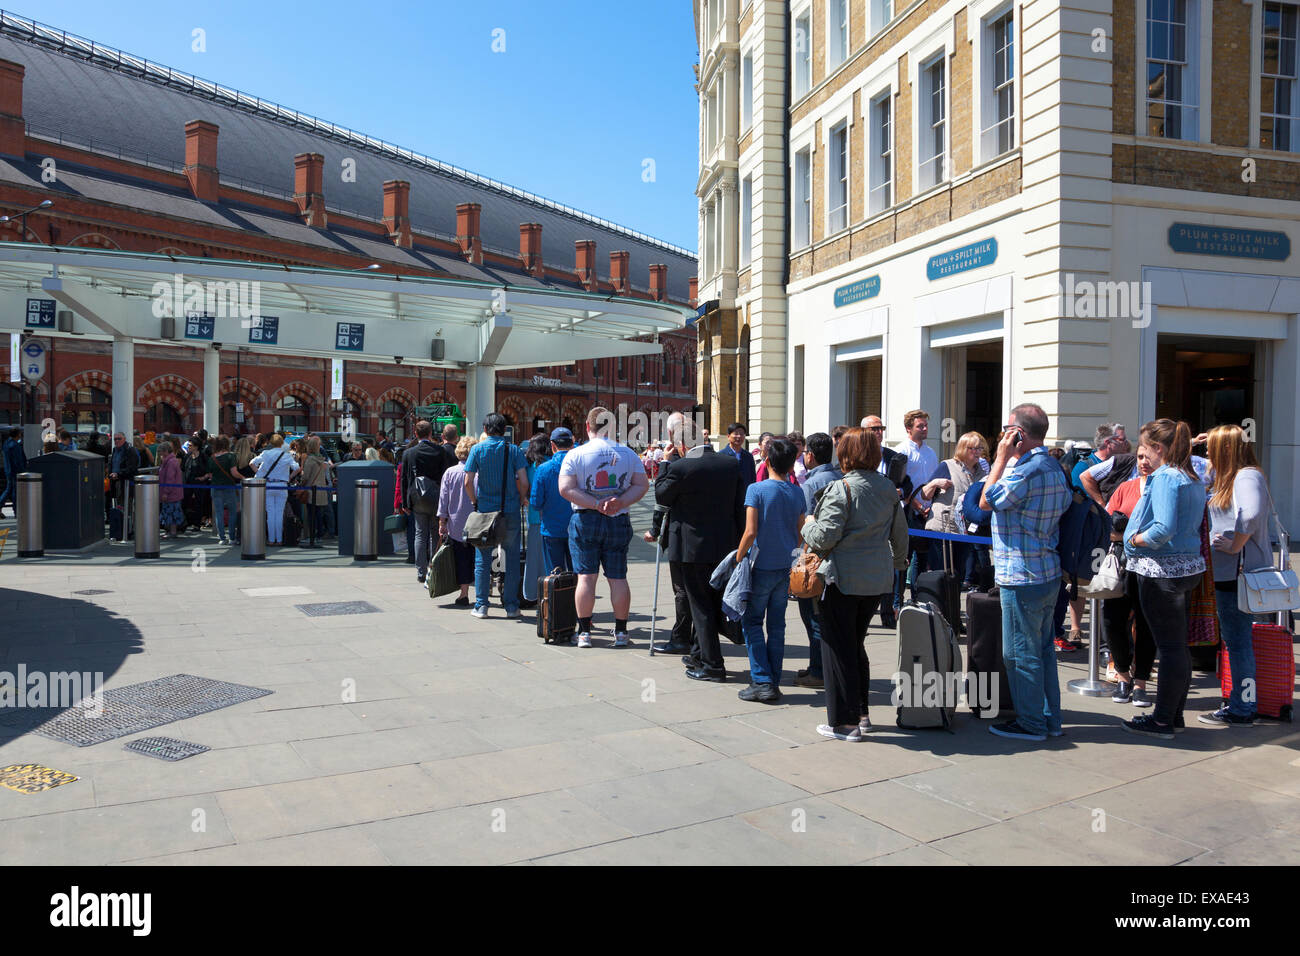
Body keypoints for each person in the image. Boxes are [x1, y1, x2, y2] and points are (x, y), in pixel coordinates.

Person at [801, 427, 909, 740]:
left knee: (837, 648)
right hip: (876, 579)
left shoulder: (841, 488)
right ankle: (861, 714)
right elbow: (900, 536)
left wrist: (808, 525)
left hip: (843, 579)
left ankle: (845, 723)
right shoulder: (888, 488)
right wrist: (899, 566)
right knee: (855, 644)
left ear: (845, 455)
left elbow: (824, 537)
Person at [979, 403, 1073, 742]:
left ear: (1019, 434)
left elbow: (987, 500)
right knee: (1042, 649)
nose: (1003, 434)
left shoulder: (1025, 470)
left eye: (1008, 429)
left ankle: (1032, 723)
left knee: (1019, 652)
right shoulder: (1053, 466)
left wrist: (1001, 459)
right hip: (1046, 572)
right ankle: (1049, 719)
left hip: (1022, 575)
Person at [1120, 419, 1206, 740]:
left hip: (1161, 570)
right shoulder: (1190, 476)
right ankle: (1172, 714)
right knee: (1176, 647)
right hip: (1183, 569)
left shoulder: (1168, 477)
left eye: (1145, 448)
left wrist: (1135, 540)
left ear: (1157, 448)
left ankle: (1162, 719)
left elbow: (1163, 528)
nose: (1141, 456)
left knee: (1170, 648)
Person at [655, 420, 746, 679]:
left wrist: (664, 462)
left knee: (701, 607)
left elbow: (661, 495)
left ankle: (712, 665)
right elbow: (739, 506)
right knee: (713, 602)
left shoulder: (681, 467)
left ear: (683, 444)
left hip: (692, 549)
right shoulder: (730, 464)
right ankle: (698, 654)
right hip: (724, 545)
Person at [558, 407, 649, 647]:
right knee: (618, 577)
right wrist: (619, 501)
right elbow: (642, 485)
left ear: (588, 427)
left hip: (585, 518)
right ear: (612, 428)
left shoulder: (576, 454)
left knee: (586, 578)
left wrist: (596, 503)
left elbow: (566, 489)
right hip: (618, 518)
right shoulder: (628, 454)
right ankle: (621, 632)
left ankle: (585, 632)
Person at [1201, 424, 1270, 727]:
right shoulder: (1230, 477)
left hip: (1237, 575)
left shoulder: (1245, 476)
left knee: (1238, 641)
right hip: (1230, 575)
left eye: (1211, 446)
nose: (1205, 452)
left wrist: (1234, 544)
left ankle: (1243, 707)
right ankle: (1242, 702)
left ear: (1226, 449)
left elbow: (1251, 514)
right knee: (1236, 640)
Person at [735, 438, 807, 703]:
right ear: (792, 465)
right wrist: (794, 557)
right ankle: (773, 679)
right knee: (777, 625)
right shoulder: (797, 492)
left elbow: (750, 532)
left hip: (761, 566)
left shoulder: (756, 489)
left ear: (766, 461)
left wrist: (738, 557)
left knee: (753, 622)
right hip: (784, 566)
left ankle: (762, 680)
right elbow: (801, 533)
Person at [1103, 443, 1157, 708]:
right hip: (1123, 562)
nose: (1143, 461)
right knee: (1112, 620)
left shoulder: (1164, 488)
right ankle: (1123, 675)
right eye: (1140, 457)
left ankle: (1141, 683)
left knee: (1146, 624)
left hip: (1154, 565)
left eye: (1148, 456)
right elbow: (1107, 525)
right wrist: (1122, 533)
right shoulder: (1126, 487)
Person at [464, 413, 529, 618]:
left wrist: (475, 501)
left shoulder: (477, 449)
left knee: (483, 559)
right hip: (509, 510)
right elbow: (524, 481)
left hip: (485, 512)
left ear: (485, 429)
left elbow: (468, 481)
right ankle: (511, 605)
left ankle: (482, 605)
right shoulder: (514, 450)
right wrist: (520, 498)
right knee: (510, 558)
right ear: (504, 430)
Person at [793, 432, 842, 688]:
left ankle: (819, 671)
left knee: (813, 616)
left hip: (816, 559)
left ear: (810, 455)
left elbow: (804, 524)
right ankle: (823, 668)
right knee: (828, 617)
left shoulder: (810, 484)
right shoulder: (840, 477)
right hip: (840, 560)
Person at [645, 414, 693, 655]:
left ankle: (682, 636)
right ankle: (693, 636)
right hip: (707, 537)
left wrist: (664, 463)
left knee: (682, 589)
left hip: (682, 536)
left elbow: (662, 499)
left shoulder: (674, 462)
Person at [918, 431, 988, 587]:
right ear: (963, 449)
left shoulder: (982, 472)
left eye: (980, 448)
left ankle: (953, 610)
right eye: (973, 448)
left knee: (958, 576)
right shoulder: (948, 465)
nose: (977, 452)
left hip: (964, 531)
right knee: (941, 576)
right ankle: (939, 610)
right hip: (941, 529)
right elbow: (924, 495)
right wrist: (936, 482)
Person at [893, 409, 939, 613]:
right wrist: (918, 506)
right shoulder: (902, 451)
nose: (924, 429)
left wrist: (930, 506)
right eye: (920, 426)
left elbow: (932, 482)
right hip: (908, 512)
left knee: (923, 557)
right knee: (904, 557)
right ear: (908, 429)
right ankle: (897, 601)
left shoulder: (931, 453)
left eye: (926, 425)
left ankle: (918, 598)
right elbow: (902, 485)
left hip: (928, 511)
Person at [400, 420, 453, 585]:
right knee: (433, 533)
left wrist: (404, 503)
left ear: (416, 434)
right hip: (436, 496)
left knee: (419, 533)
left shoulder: (408, 453)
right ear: (431, 434)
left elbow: (404, 479)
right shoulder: (439, 451)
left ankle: (420, 571)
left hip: (416, 498)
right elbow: (445, 477)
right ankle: (432, 567)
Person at [438, 435, 478, 607]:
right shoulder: (478, 473)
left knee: (462, 558)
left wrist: (442, 522)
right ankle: (484, 592)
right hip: (477, 522)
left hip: (456, 523)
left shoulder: (450, 472)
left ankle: (464, 593)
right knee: (478, 558)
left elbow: (443, 499)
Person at [531, 427, 575, 576]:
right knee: (578, 574)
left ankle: (558, 600)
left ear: (552, 445)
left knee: (555, 574)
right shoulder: (580, 466)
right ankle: (576, 600)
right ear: (572, 443)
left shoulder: (543, 469)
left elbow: (536, 503)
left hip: (551, 528)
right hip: (576, 528)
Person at [249, 433, 299, 546]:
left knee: (270, 513)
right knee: (279, 513)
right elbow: (297, 468)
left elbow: (252, 463)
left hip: (268, 485)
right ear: (281, 443)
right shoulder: (287, 455)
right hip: (282, 485)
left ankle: (271, 540)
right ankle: (279, 539)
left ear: (271, 442)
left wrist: (260, 474)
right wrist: (289, 477)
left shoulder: (266, 453)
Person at [521, 433, 551, 607]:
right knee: (551, 560)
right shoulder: (553, 464)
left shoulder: (531, 467)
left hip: (534, 517)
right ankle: (551, 593)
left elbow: (525, 487)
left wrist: (524, 499)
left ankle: (535, 594)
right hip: (553, 519)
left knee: (534, 560)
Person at [209, 435, 245, 545]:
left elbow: (210, 475)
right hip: (229, 487)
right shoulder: (230, 456)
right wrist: (243, 478)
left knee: (219, 513)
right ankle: (232, 538)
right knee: (232, 512)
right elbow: (234, 472)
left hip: (215, 487)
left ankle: (222, 538)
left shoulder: (212, 458)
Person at [298, 435, 332, 548]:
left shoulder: (310, 460)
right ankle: (319, 536)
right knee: (319, 514)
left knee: (311, 515)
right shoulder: (321, 459)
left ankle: (312, 537)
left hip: (311, 491)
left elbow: (306, 476)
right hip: (321, 490)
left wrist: (301, 481)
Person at [158, 441, 185, 539]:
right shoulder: (171, 461)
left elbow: (170, 478)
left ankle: (172, 532)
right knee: (171, 512)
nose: (159, 454)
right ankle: (170, 531)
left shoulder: (170, 462)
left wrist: (165, 492)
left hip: (171, 493)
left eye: (160, 451)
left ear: (165, 451)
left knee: (171, 512)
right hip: (173, 492)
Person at [2, 427, 27, 517]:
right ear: (17, 435)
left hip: (8, 470)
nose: (21, 435)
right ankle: (17, 510)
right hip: (15, 471)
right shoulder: (15, 446)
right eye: (20, 433)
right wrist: (23, 471)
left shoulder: (6, 443)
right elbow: (18, 461)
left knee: (9, 490)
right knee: (14, 492)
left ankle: (15, 510)